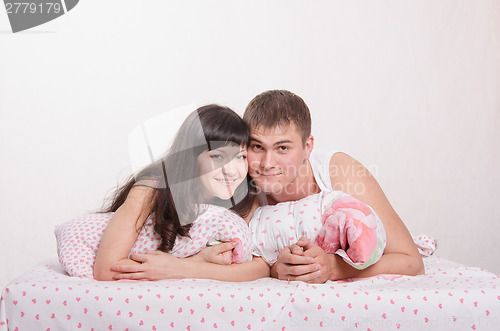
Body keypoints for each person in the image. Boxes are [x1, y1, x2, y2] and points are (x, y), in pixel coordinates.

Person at [111, 90, 424, 283]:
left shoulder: (338, 172)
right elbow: (250, 260)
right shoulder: (239, 185)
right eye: (257, 147)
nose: (266, 163)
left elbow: (410, 261)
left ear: (308, 146)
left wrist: (333, 267)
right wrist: (277, 270)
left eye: (283, 148)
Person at [93, 104, 269, 281]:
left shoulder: (247, 196)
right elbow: (107, 269)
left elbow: (260, 268)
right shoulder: (150, 189)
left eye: (241, 157)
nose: (232, 171)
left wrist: (185, 267)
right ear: (191, 157)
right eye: (218, 156)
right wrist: (189, 265)